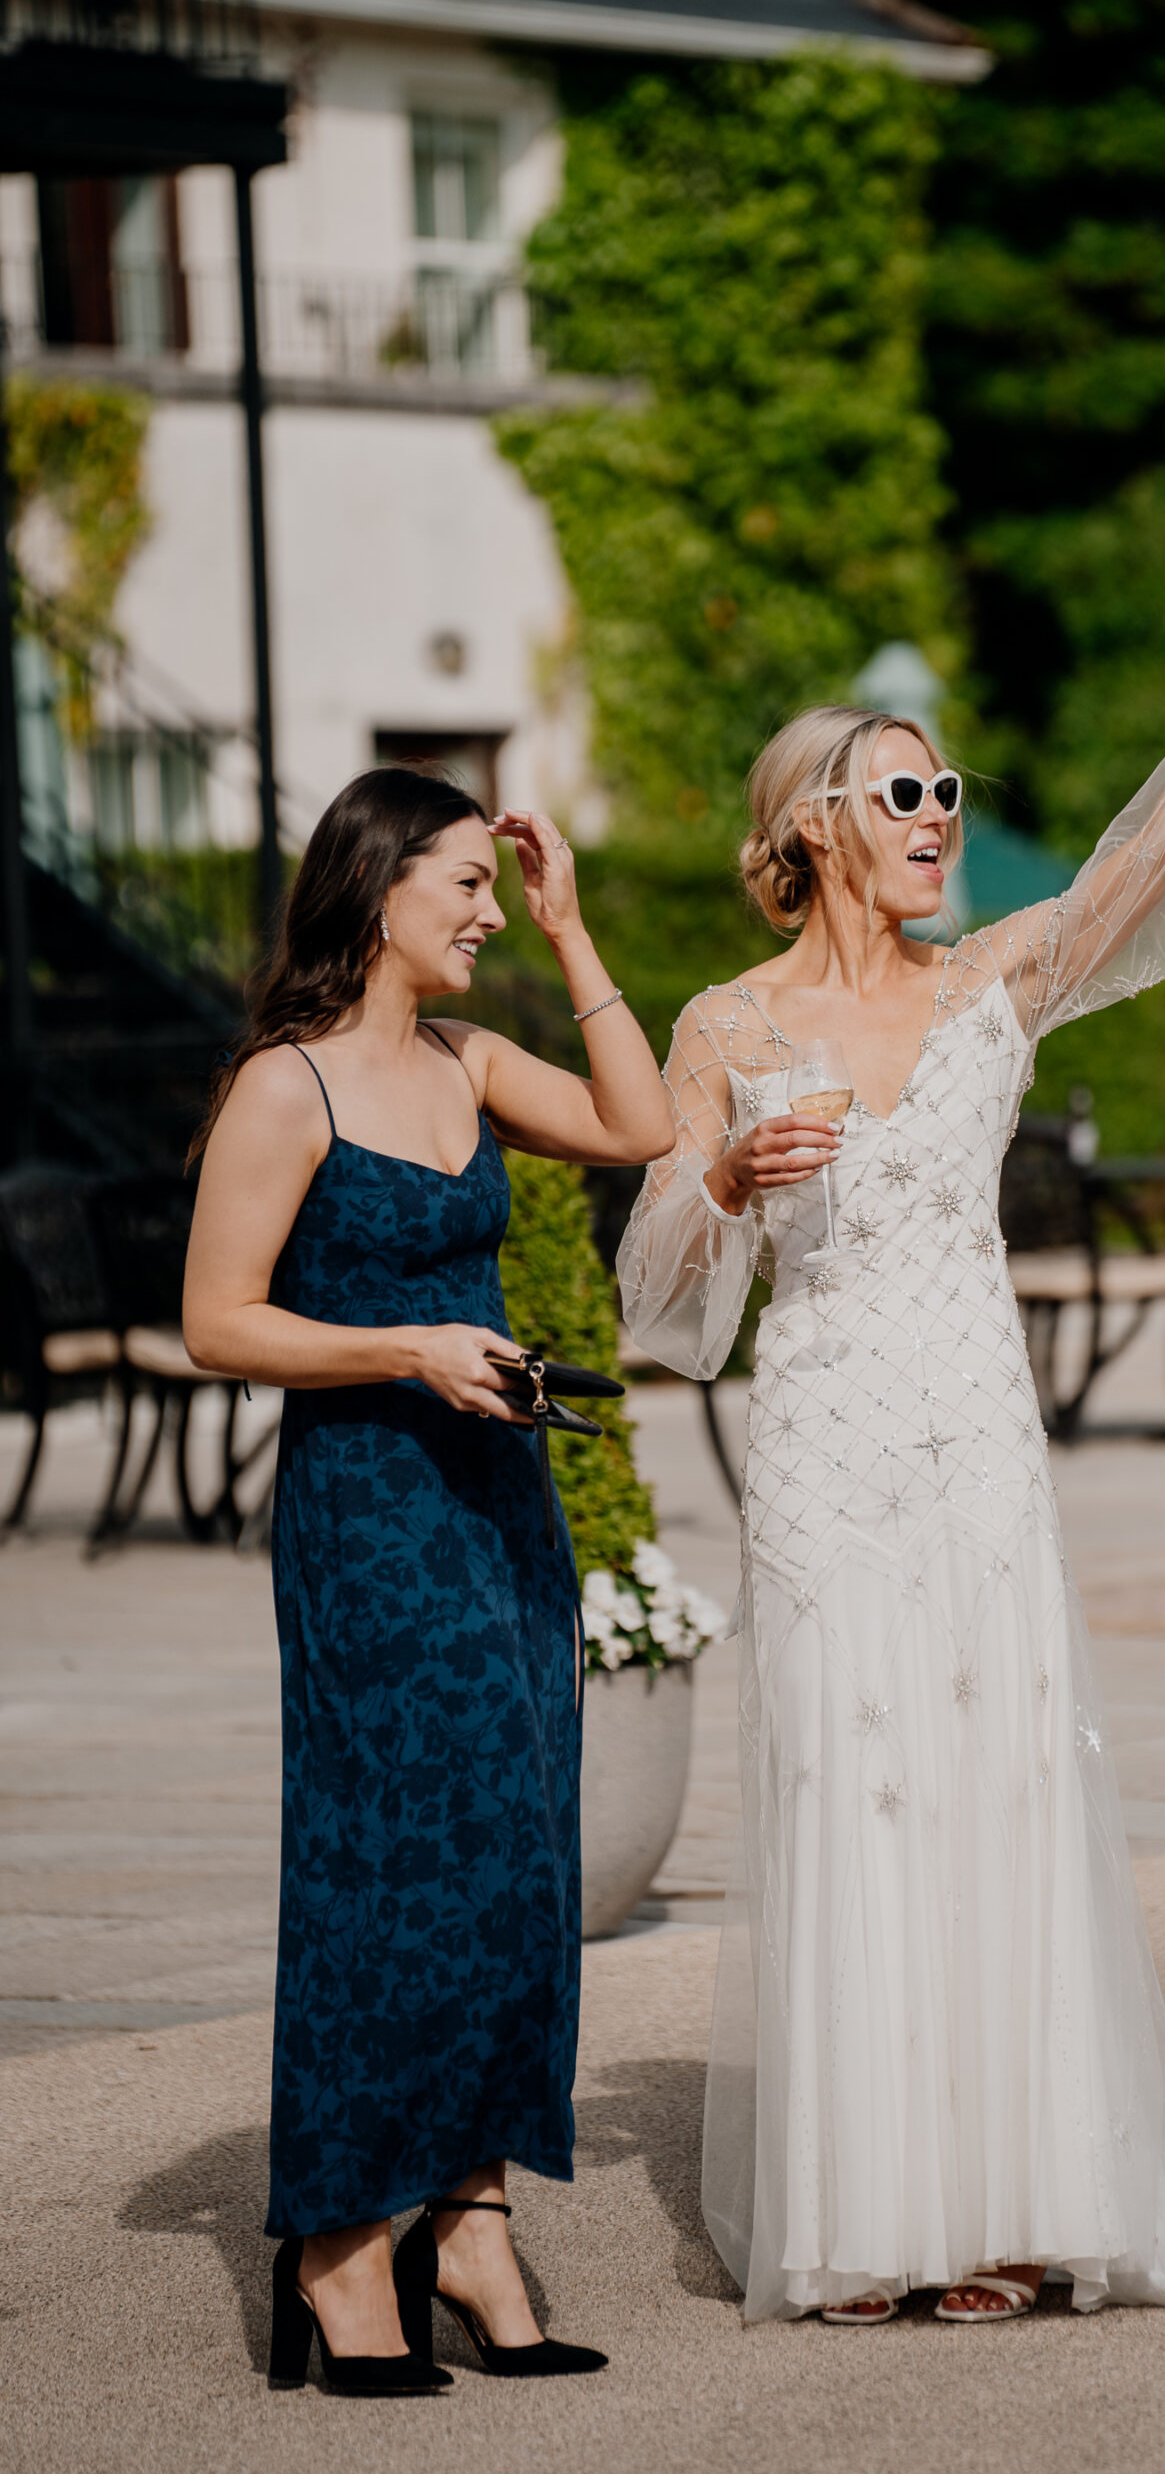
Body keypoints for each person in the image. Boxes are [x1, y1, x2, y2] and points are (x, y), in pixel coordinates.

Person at [620, 514, 1165, 2324]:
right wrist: (736, 1176)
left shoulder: (999, 979)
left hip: (979, 1439)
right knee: (856, 1788)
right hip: (824, 1445)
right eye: (906, 795)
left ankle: (1004, 2207)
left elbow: (1154, 859)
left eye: (949, 794)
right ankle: (868, 2219)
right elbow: (660, 1291)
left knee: (993, 1788)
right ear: (817, 827)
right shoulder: (726, 1023)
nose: (938, 819)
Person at [183, 769, 672, 2391]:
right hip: (371, 1517)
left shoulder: (470, 1058)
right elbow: (219, 1323)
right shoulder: (285, 1088)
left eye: (491, 885)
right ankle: (334, 2239)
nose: (482, 911)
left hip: (503, 1503)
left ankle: (467, 2216)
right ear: (375, 886)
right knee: (386, 1858)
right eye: (463, 883)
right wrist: (406, 1347)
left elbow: (640, 1125)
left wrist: (572, 923)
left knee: (521, 1849)